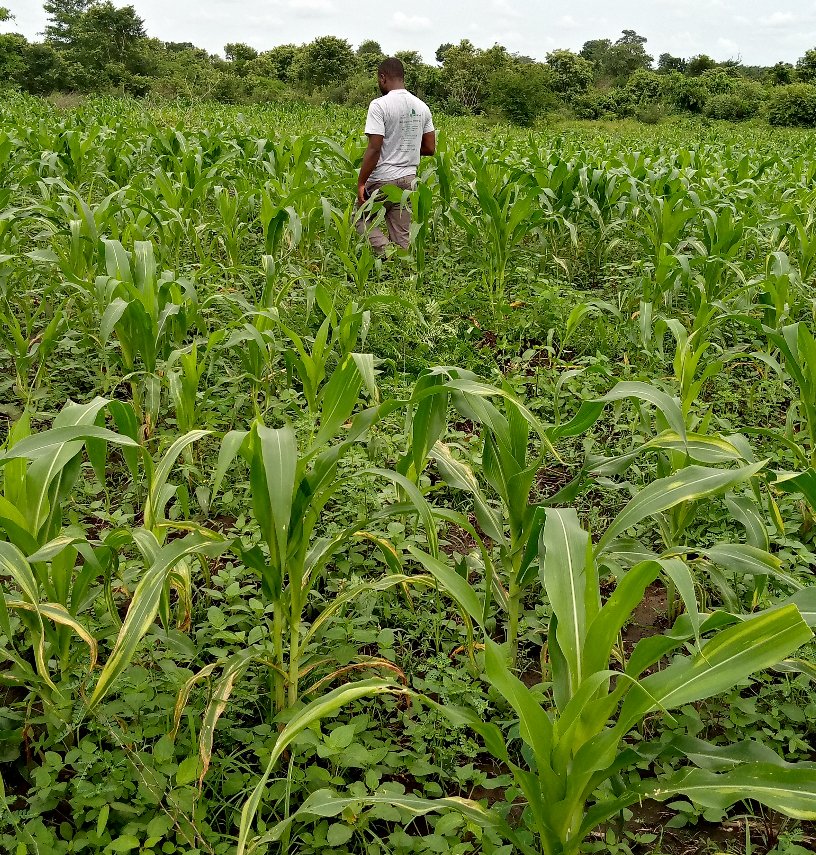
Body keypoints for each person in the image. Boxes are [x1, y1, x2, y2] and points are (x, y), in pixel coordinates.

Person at [356, 57, 436, 254]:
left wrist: (361, 183)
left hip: (383, 179)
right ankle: (403, 270)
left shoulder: (379, 105)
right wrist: (403, 147)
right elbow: (429, 148)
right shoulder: (422, 107)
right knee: (402, 235)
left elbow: (374, 148)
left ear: (383, 77)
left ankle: (386, 253)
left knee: (359, 219)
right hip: (409, 180)